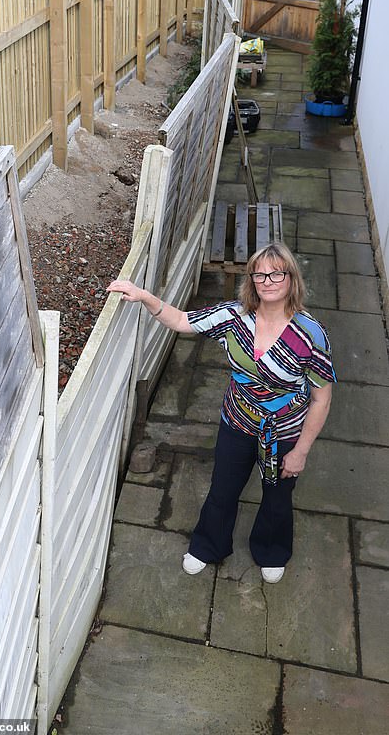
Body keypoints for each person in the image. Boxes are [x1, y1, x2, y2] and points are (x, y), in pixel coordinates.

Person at [107, 242, 335, 584]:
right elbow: (182, 321)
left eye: (276, 273)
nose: (267, 280)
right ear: (252, 280)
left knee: (277, 496)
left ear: (291, 279)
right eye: (260, 274)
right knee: (223, 489)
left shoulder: (311, 335)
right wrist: (143, 296)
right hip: (238, 422)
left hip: (284, 433)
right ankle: (208, 545)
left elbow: (321, 399)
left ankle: (271, 550)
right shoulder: (234, 318)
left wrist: (301, 451)